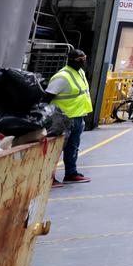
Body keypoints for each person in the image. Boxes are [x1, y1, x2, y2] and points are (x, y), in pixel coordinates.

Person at [46, 49, 94, 187]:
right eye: (80, 60)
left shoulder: (80, 73)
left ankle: (71, 173)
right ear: (71, 60)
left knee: (73, 147)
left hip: (78, 117)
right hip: (62, 120)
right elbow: (47, 97)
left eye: (84, 59)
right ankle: (49, 177)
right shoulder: (62, 77)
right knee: (56, 149)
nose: (83, 62)